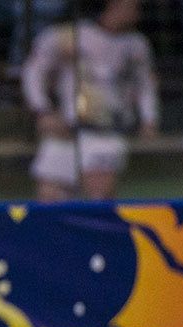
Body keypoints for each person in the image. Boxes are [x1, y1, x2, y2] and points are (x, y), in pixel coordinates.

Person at [21, 0, 159, 201]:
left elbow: (145, 85)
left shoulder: (136, 45)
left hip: (107, 130)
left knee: (98, 195)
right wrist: (42, 111)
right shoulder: (69, 36)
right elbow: (34, 71)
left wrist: (149, 119)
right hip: (66, 130)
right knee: (50, 196)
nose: (136, 12)